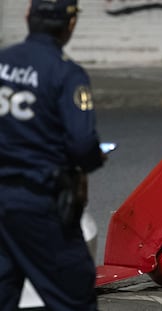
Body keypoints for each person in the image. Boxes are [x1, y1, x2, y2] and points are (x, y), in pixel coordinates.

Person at [0, 0, 105, 310]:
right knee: (74, 296)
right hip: (39, 203)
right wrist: (93, 161)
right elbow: (82, 145)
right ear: (70, 25)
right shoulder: (66, 73)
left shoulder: (2, 61)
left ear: (28, 17)